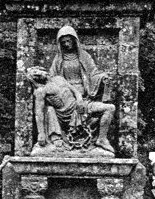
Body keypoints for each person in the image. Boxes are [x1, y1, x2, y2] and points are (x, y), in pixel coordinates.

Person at [49, 25, 115, 154]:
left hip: (85, 99)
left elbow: (93, 74)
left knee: (110, 108)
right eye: (63, 42)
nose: (67, 44)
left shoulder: (84, 56)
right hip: (66, 100)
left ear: (75, 40)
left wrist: (102, 78)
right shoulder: (58, 60)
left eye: (69, 41)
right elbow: (53, 79)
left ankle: (101, 139)